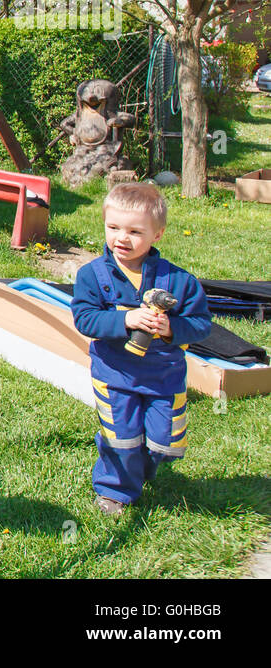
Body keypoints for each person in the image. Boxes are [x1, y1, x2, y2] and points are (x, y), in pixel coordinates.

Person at [70, 182, 211, 516]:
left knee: (165, 441)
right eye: (113, 227)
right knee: (121, 437)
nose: (122, 238)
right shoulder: (93, 275)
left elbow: (202, 323)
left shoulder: (178, 281)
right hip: (115, 375)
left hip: (164, 379)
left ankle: (145, 466)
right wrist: (126, 320)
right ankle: (115, 491)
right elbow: (85, 319)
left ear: (157, 235)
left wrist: (172, 328)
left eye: (135, 231)